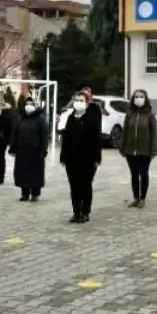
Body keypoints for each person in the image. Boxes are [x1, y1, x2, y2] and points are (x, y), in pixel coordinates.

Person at [60, 89, 101, 222]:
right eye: (76, 101)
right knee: (74, 186)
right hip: (72, 159)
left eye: (81, 101)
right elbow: (66, 139)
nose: (78, 103)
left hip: (87, 159)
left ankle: (85, 212)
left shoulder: (92, 119)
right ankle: (76, 211)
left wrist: (97, 158)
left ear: (87, 103)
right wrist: (63, 157)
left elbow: (96, 139)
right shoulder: (71, 118)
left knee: (85, 185)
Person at [119, 88, 157, 207]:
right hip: (130, 150)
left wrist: (153, 149)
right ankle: (136, 198)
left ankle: (143, 198)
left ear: (145, 99)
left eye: (141, 97)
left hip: (145, 150)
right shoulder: (129, 114)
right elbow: (125, 130)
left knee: (143, 173)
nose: (138, 99)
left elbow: (153, 133)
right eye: (136, 97)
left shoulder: (150, 115)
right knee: (134, 174)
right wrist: (122, 147)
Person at [9, 96, 49, 201]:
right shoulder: (20, 117)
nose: (28, 106)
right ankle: (24, 193)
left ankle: (35, 193)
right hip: (22, 150)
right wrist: (12, 148)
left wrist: (43, 149)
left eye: (31, 104)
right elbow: (15, 133)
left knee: (35, 173)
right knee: (22, 172)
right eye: (27, 104)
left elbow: (44, 135)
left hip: (35, 151)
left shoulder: (40, 118)